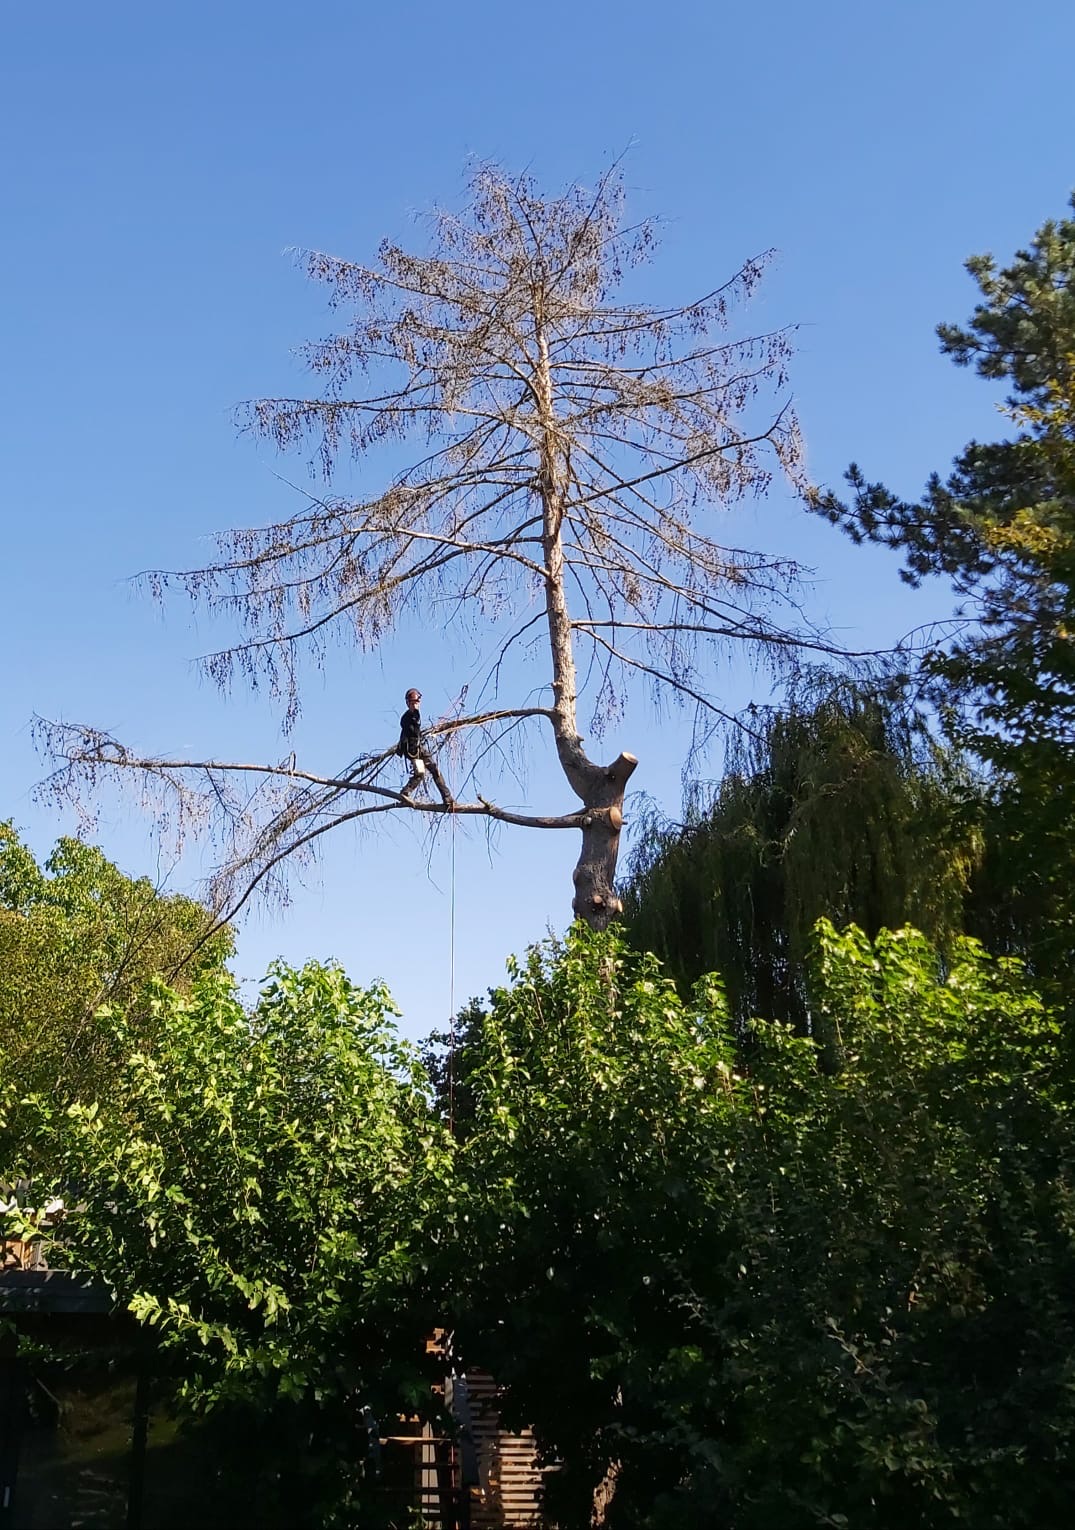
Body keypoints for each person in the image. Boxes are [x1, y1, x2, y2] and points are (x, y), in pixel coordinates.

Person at [397, 688, 451, 804]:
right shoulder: (407, 718)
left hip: (418, 748)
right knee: (420, 773)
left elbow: (417, 732)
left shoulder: (415, 716)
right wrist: (415, 713)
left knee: (434, 769)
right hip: (412, 750)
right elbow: (412, 730)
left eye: (416, 703)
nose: (415, 705)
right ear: (408, 703)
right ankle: (405, 792)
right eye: (412, 703)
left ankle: (447, 797)